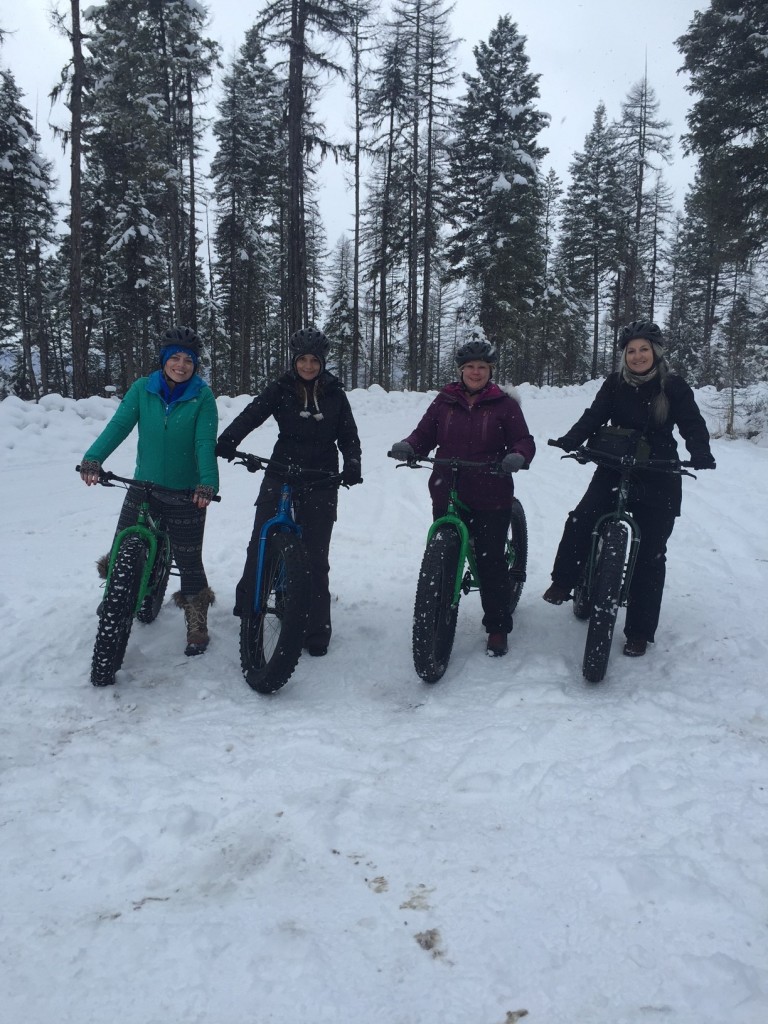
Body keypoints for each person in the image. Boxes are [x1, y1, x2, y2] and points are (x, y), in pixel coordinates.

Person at [543, 320, 716, 657]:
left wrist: (700, 452)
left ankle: (638, 631)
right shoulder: (615, 384)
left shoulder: (674, 387)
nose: (637, 356)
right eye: (631, 350)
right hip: (616, 464)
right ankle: (565, 580)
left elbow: (692, 423)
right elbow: (595, 415)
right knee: (582, 518)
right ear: (624, 355)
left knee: (651, 554)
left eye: (644, 349)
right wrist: (572, 439)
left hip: (659, 469)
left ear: (656, 352)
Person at [215, 327, 362, 658]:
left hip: (321, 476)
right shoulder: (281, 388)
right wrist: (229, 439)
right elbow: (252, 414)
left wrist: (352, 463)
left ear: (322, 363)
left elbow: (348, 435)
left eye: (314, 361)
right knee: (261, 543)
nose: (308, 366)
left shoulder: (335, 393)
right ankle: (249, 608)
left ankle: (315, 627)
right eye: (302, 360)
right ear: (294, 361)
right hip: (281, 470)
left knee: (315, 555)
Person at [390, 338, 536, 657]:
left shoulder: (505, 405)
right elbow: (424, 434)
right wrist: (410, 446)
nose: (475, 371)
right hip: (448, 486)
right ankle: (436, 613)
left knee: (490, 561)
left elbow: (523, 440)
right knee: (443, 556)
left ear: (490, 371)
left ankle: (497, 626)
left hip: (491, 492)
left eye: (481, 367)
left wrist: (517, 456)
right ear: (460, 371)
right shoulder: (445, 401)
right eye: (469, 366)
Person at [79, 326, 219, 657]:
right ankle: (114, 598)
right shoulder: (143, 389)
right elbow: (119, 426)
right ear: (163, 360)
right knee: (120, 546)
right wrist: (93, 458)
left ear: (195, 365)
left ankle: (196, 620)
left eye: (188, 360)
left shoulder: (203, 397)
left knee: (188, 560)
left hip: (187, 492)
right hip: (144, 485)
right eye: (175, 358)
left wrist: (207, 482)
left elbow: (204, 443)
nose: (181, 365)